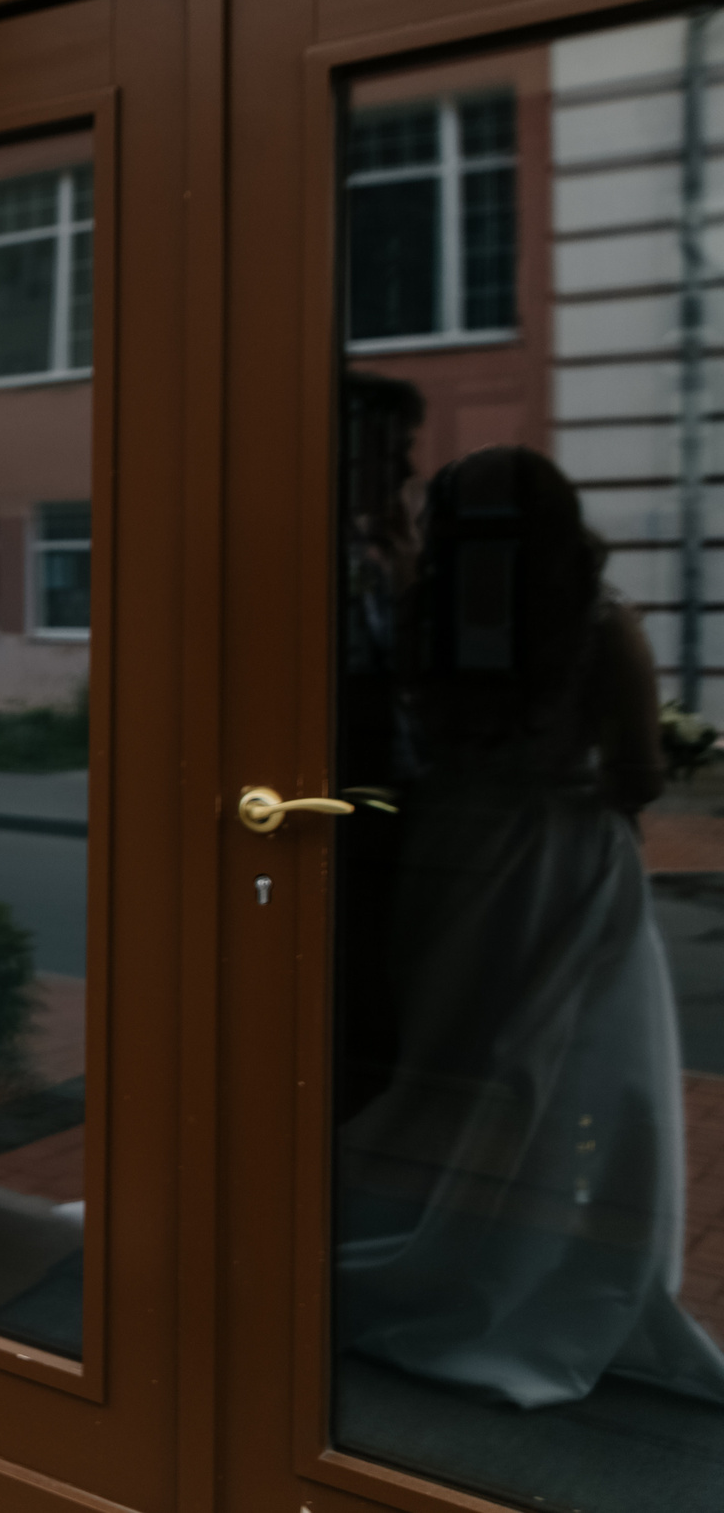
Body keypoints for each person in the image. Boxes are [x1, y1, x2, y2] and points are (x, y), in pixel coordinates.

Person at [337, 445, 724, 1408]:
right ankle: (522, 1264)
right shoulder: (597, 623)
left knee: (447, 1053)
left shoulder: (426, 612)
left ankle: (391, 1226)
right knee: (564, 1070)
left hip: (446, 846)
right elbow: (637, 776)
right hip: (558, 860)